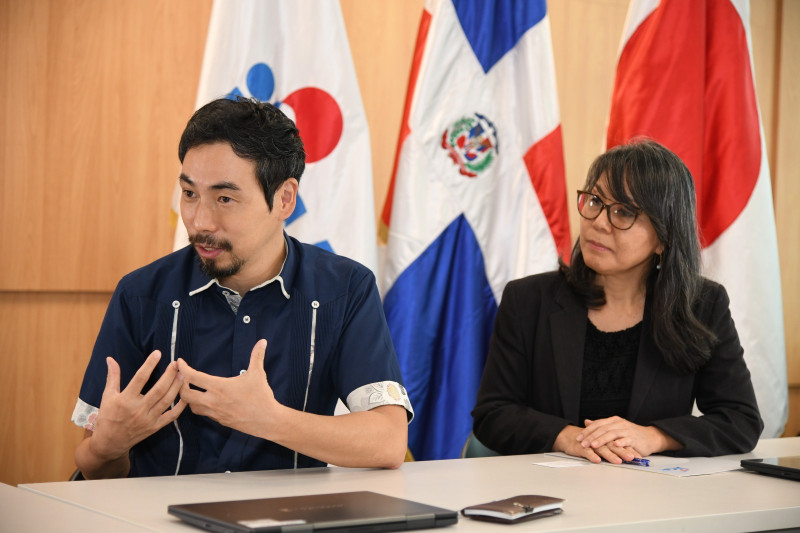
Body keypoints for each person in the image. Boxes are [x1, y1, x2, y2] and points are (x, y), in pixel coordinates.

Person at [72, 97, 413, 478]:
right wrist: (108, 446)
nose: (200, 221)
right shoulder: (140, 294)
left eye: (225, 199)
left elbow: (388, 441)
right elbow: (91, 467)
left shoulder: (345, 289)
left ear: (284, 199)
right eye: (189, 194)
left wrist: (269, 420)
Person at [472, 139, 762, 463]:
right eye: (595, 201)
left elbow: (741, 420)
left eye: (623, 212)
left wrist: (652, 436)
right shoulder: (528, 300)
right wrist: (569, 438)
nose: (598, 222)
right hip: (547, 493)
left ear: (664, 238)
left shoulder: (702, 305)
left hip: (652, 498)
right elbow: (492, 415)